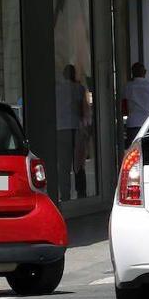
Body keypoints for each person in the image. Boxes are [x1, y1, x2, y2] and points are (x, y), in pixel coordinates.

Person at [56, 65, 89, 199]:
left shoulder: (56, 89)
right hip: (75, 128)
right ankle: (81, 193)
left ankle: (65, 195)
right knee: (79, 163)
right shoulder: (79, 88)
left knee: (64, 165)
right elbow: (83, 110)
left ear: (63, 75)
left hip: (60, 129)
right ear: (74, 74)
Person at [124, 62, 149, 146]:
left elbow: (124, 107)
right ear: (144, 72)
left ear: (132, 73)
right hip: (148, 123)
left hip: (132, 124)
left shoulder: (128, 87)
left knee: (134, 150)